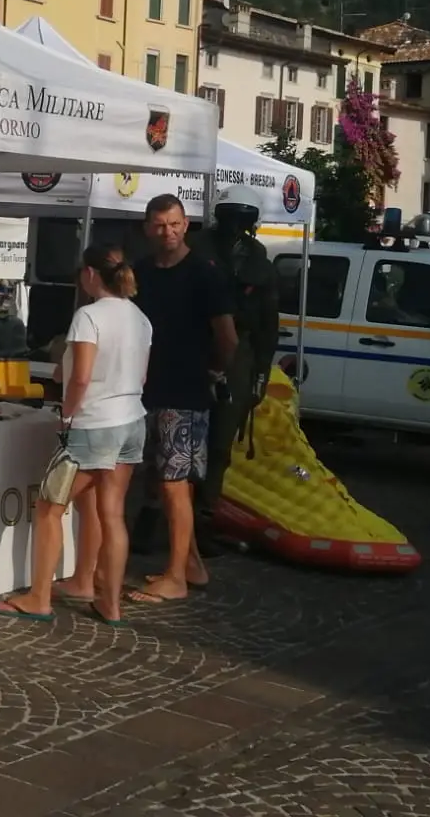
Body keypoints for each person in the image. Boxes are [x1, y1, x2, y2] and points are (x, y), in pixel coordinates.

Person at [0, 246, 149, 625]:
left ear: (92, 274)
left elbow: (79, 377)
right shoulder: (141, 318)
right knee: (110, 513)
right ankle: (106, 601)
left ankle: (39, 597)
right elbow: (141, 377)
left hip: (94, 422)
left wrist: (68, 413)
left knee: (50, 507)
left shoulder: (89, 315)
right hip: (132, 419)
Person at [129, 194, 235, 605]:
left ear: (185, 224)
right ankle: (190, 563)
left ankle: (175, 576)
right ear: (147, 228)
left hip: (185, 394)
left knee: (176, 485)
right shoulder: (141, 272)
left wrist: (211, 373)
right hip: (148, 392)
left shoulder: (206, 273)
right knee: (170, 485)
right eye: (159, 225)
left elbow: (228, 339)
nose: (167, 232)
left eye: (173, 224)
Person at [195, 190, 279, 546]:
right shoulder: (196, 249)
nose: (236, 225)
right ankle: (161, 512)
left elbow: (268, 324)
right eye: (231, 216)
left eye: (243, 218)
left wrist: (260, 374)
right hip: (195, 347)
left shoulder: (258, 259)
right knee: (179, 439)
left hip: (240, 353)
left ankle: (203, 519)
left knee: (219, 445)